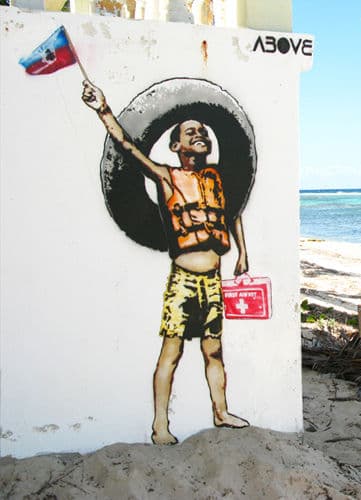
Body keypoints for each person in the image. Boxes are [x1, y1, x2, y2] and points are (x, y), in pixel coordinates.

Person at [82, 80, 250, 445]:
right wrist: (103, 110)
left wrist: (243, 254)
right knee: (172, 350)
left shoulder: (217, 177)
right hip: (184, 280)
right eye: (192, 132)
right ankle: (160, 425)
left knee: (214, 349)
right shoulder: (167, 177)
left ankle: (221, 412)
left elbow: (231, 213)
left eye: (204, 131)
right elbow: (128, 148)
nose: (201, 134)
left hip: (214, 280)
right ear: (177, 146)